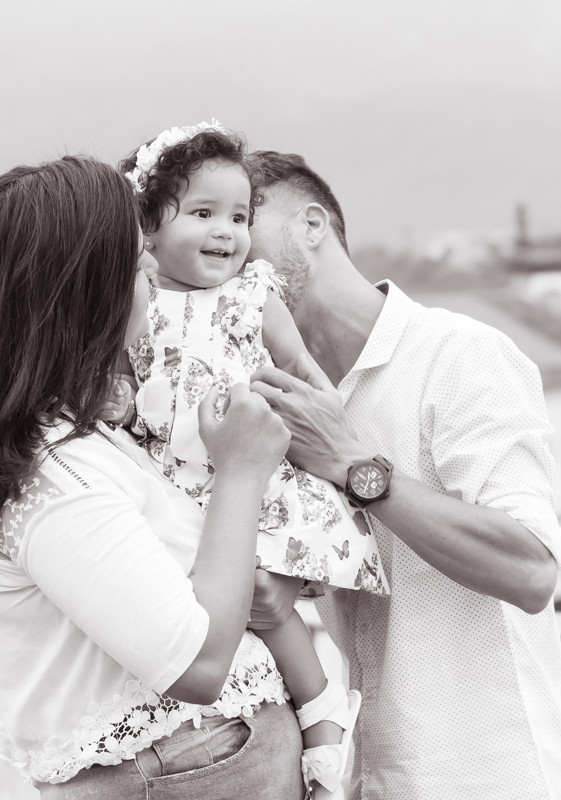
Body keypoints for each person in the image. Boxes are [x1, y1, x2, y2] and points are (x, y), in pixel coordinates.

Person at [0, 156, 305, 798]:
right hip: (180, 771)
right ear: (86, 293)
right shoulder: (50, 474)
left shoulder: (62, 438)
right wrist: (241, 470)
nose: (154, 275)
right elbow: (198, 666)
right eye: (138, 264)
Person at [244, 152, 561, 799]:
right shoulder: (277, 406)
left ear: (312, 225)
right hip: (376, 777)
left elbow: (531, 569)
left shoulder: (459, 355)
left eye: (245, 221)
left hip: (499, 778)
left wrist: (353, 467)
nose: (230, 246)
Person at [109, 122, 387, 799]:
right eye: (203, 214)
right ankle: (250, 721)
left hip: (256, 479)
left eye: (238, 216)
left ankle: (321, 713)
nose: (226, 232)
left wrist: (333, 432)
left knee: (266, 601)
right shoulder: (136, 299)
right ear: (147, 226)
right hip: (173, 486)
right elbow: (115, 375)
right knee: (197, 608)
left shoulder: (252, 294)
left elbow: (298, 366)